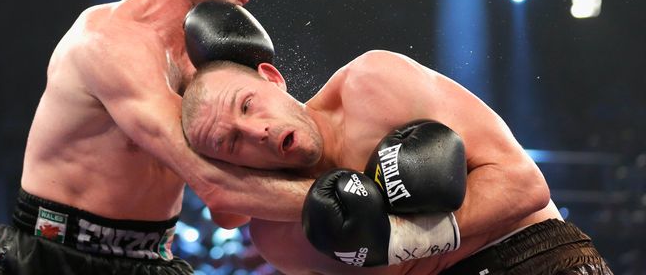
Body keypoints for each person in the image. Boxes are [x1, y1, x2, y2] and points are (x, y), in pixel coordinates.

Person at [0, 0, 315, 275]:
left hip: (152, 260)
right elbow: (215, 186)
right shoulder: (108, 39)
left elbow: (230, 213)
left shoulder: (214, 62)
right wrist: (369, 201)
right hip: (52, 259)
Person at [181, 53, 612, 274]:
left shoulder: (372, 84)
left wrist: (397, 238)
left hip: (533, 258)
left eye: (249, 105)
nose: (256, 130)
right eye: (231, 141)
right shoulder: (276, 234)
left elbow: (525, 187)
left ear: (272, 78)